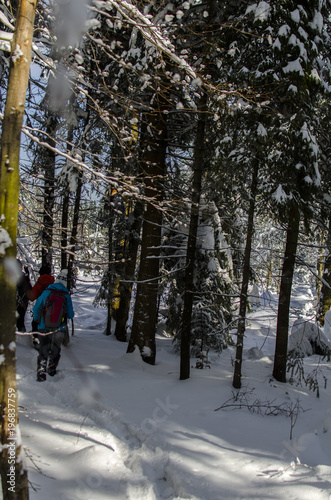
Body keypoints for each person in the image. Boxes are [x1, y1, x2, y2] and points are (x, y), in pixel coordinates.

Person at [33, 269, 74, 382]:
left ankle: (41, 371)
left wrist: (37, 318)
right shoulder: (66, 295)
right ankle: (52, 370)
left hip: (43, 325)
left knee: (43, 348)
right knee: (56, 349)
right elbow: (71, 314)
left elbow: (36, 307)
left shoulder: (47, 292)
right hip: (59, 328)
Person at [27, 264, 55, 349]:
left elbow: (32, 297)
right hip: (53, 310)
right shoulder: (54, 282)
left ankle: (36, 342)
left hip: (41, 309)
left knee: (35, 323)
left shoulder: (39, 283)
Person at [16, 260, 32, 332]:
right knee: (20, 322)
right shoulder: (23, 277)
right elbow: (29, 291)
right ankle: (22, 338)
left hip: (13, 302)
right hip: (22, 303)